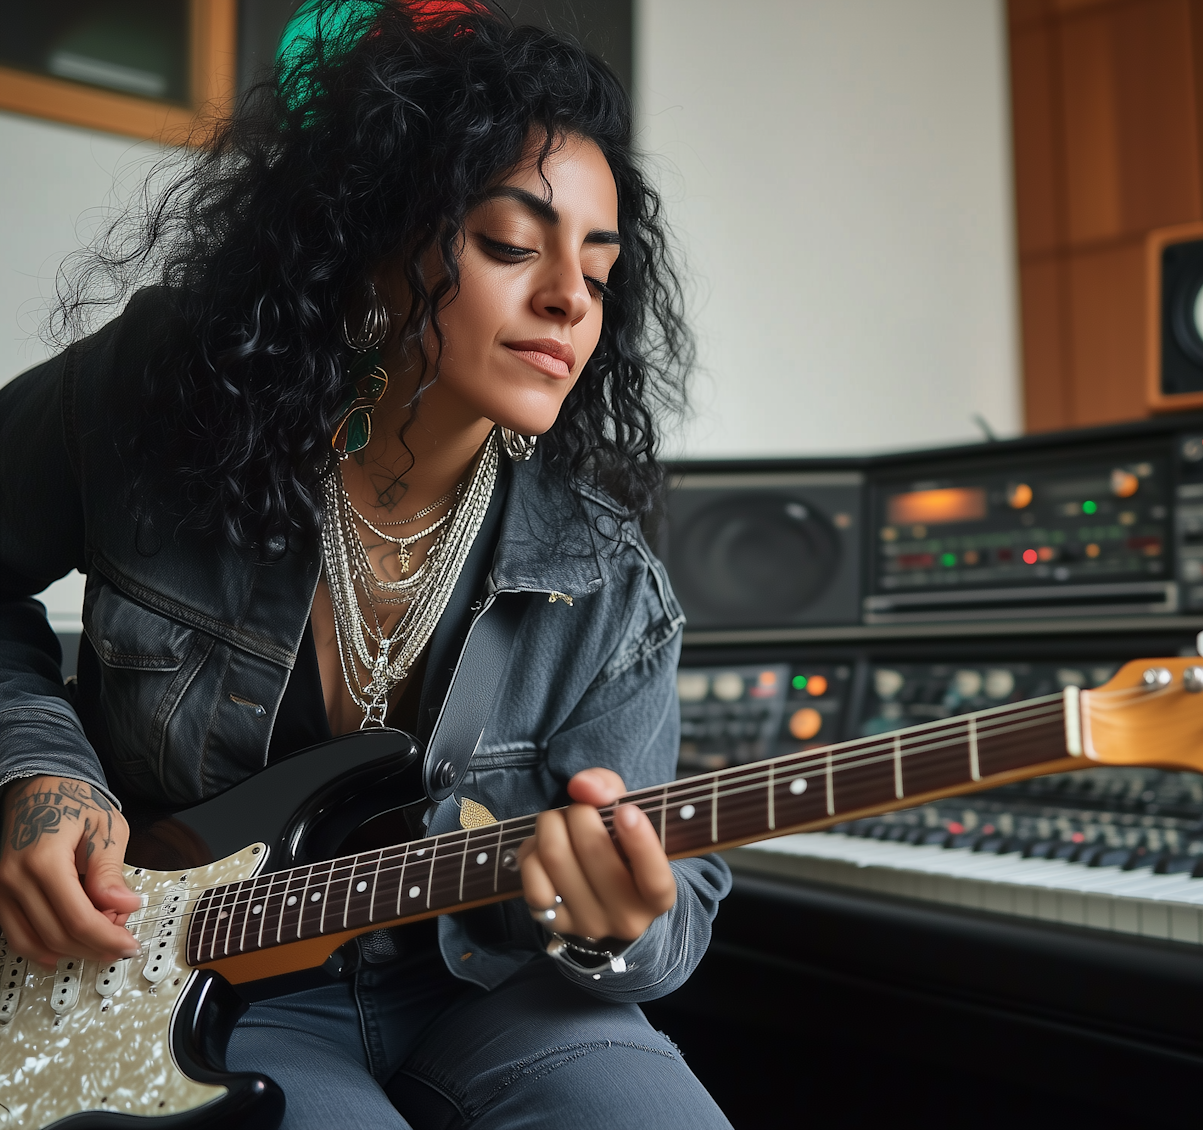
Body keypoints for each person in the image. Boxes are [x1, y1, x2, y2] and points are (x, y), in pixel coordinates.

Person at [0, 3, 733, 1126]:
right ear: (368, 235)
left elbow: (668, 909)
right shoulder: (152, 394)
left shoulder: (610, 581)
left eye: (598, 266)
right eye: (510, 242)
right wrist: (36, 771)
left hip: (486, 991)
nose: (569, 300)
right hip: (188, 975)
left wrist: (619, 914)